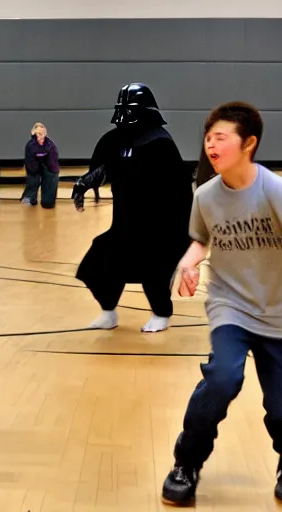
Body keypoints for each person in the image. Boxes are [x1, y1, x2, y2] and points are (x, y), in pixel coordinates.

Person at [161, 102, 282, 507]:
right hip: (230, 307)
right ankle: (186, 462)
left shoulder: (277, 190)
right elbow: (201, 240)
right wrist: (187, 266)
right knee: (222, 379)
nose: (211, 145)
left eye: (220, 137)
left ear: (249, 143)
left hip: (278, 312)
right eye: (208, 138)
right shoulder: (205, 195)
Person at [71, 83, 193, 333]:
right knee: (100, 262)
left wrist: (183, 230)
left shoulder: (160, 143)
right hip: (124, 223)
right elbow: (107, 168)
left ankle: (161, 313)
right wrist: (84, 183)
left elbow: (178, 188)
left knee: (154, 268)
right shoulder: (113, 140)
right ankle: (108, 312)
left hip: (159, 225)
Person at [21, 123, 60, 209]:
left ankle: (48, 201)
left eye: (41, 134)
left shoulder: (51, 145)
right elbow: (29, 162)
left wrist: (52, 170)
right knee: (33, 178)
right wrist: (34, 170)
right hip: (34, 165)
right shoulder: (30, 145)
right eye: (37, 134)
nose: (39, 136)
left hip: (48, 164)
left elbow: (53, 161)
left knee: (52, 177)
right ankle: (30, 198)